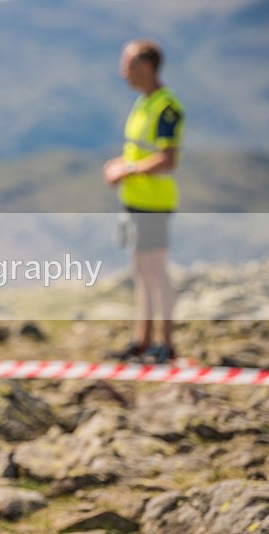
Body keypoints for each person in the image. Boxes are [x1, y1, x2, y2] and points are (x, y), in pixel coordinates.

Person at [104, 39, 184, 363]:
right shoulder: (144, 103)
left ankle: (165, 344)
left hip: (153, 202)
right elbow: (139, 150)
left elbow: (168, 159)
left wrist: (127, 170)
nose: (124, 72)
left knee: (155, 271)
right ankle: (143, 341)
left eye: (129, 65)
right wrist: (121, 166)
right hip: (136, 201)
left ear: (147, 66)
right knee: (141, 269)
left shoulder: (166, 106)